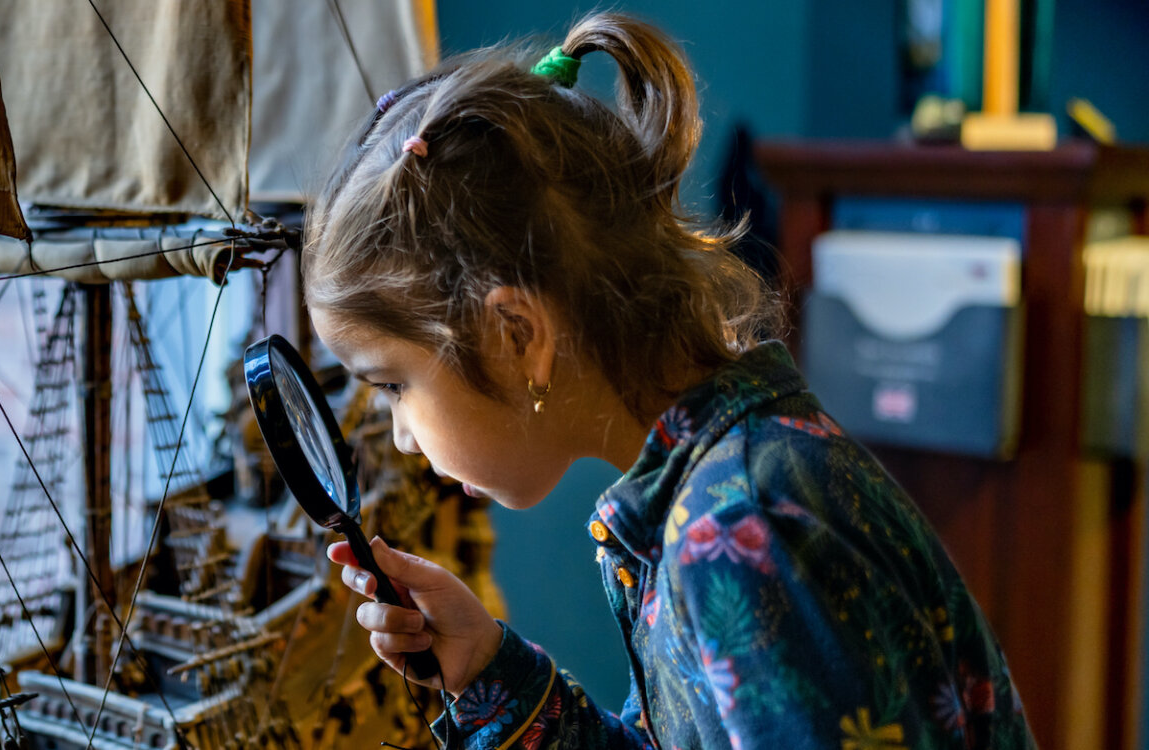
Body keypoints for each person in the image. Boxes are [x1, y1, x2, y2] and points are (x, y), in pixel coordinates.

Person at [306, 12, 1035, 750]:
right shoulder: (709, 493)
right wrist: (488, 672)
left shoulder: (743, 531)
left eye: (394, 385)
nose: (401, 435)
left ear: (517, 336)